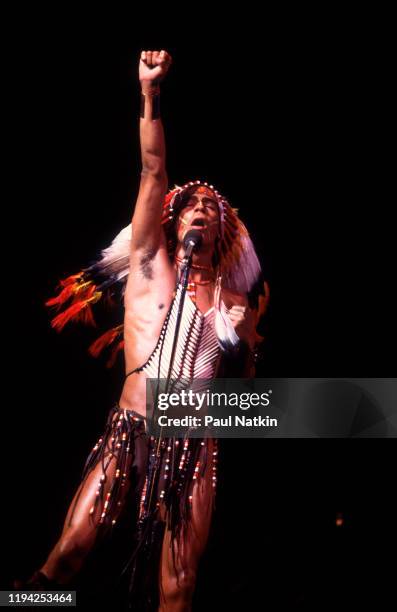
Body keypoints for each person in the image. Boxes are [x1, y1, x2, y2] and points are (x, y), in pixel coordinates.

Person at [16, 50, 268, 611]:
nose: (203, 210)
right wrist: (149, 94)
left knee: (178, 588)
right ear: (175, 218)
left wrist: (244, 344)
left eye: (213, 207)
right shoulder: (152, 262)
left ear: (224, 229)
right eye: (194, 205)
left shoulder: (232, 300)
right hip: (131, 429)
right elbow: (153, 169)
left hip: (193, 444)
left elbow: (246, 394)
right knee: (69, 552)